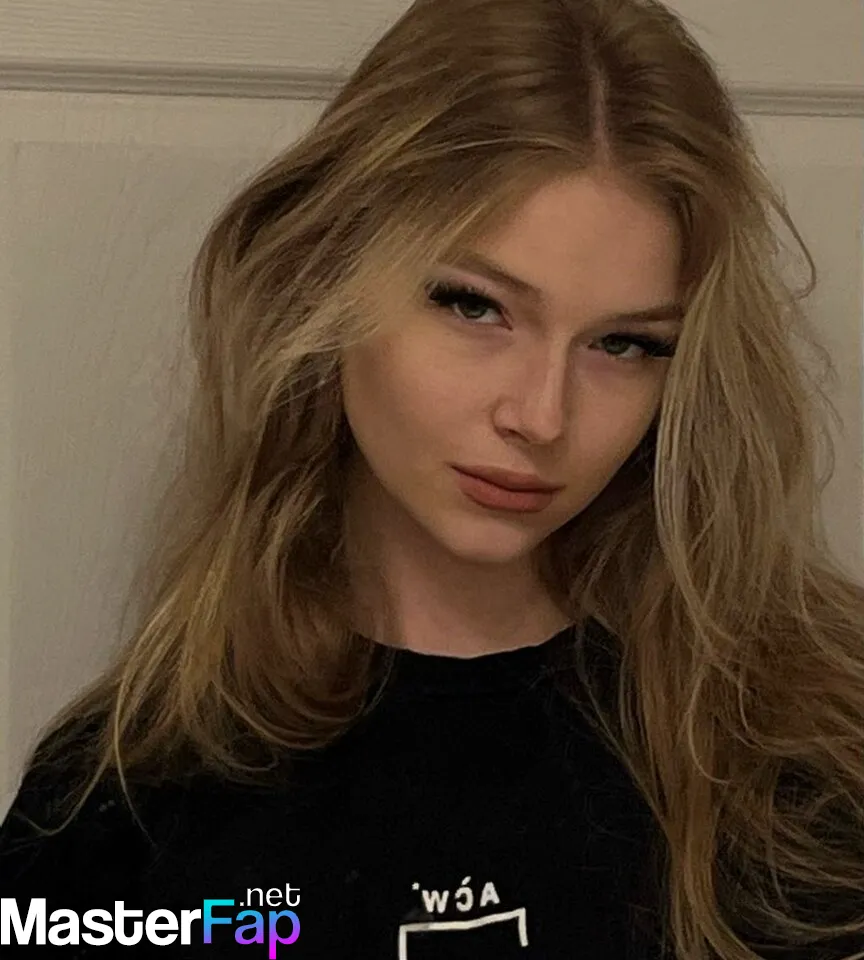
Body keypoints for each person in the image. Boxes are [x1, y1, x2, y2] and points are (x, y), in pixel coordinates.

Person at [1, 0, 863, 957]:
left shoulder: (799, 756)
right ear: (322, 271)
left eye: (625, 344)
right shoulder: (124, 799)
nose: (542, 416)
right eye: (474, 306)